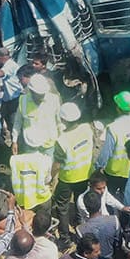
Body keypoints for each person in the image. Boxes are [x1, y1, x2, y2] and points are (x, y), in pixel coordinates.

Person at [53, 102, 95, 238]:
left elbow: (57, 165)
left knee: (62, 207)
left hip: (67, 178)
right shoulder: (87, 128)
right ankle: (80, 225)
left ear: (63, 119)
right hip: (85, 174)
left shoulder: (62, 139)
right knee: (80, 201)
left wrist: (49, 177)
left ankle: (64, 236)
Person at [96, 90, 130, 195]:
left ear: (118, 108)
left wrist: (98, 167)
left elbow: (106, 152)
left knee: (109, 198)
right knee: (127, 199)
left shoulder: (113, 127)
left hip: (114, 171)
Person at [75, 190, 119, 259]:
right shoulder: (114, 220)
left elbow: (81, 253)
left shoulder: (80, 230)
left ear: (86, 208)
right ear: (100, 205)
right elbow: (118, 244)